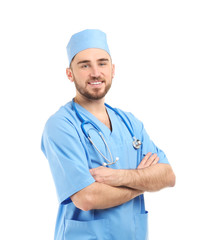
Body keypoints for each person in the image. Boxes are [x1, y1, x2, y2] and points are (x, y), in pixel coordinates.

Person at [41, 29, 175, 240]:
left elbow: (167, 175)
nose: (95, 73)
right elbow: (87, 197)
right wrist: (143, 183)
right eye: (85, 65)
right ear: (70, 74)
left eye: (102, 63)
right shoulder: (61, 125)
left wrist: (118, 177)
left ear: (112, 70)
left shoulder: (130, 123)